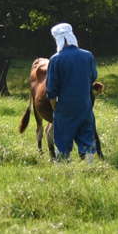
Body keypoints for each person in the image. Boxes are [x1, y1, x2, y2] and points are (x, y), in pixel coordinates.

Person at [45, 22, 98, 162]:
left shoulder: (55, 59)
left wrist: (54, 107)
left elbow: (51, 90)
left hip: (64, 107)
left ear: (58, 39)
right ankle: (91, 169)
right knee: (87, 139)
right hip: (85, 106)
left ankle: (63, 170)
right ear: (72, 36)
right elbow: (93, 77)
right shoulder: (88, 56)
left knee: (62, 142)